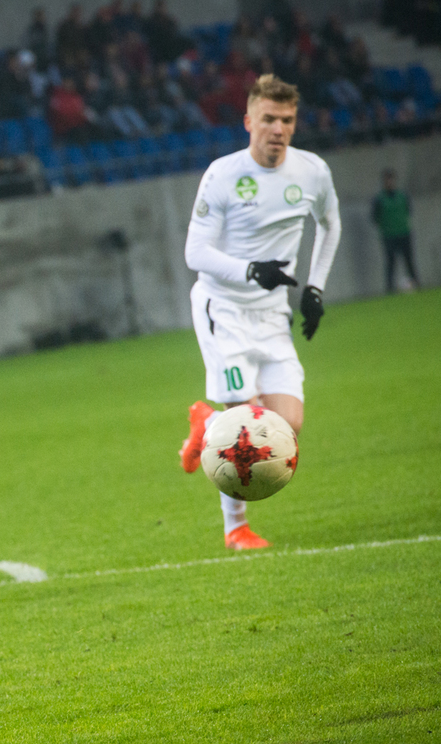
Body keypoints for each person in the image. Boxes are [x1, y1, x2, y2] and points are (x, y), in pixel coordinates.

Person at [177, 74, 341, 551]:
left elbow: (330, 225)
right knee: (246, 429)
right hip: (223, 310)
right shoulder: (222, 175)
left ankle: (205, 423)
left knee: (287, 426)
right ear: (249, 122)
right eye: (268, 119)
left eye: (287, 120)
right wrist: (251, 271)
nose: (278, 129)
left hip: (272, 316)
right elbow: (195, 253)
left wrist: (315, 288)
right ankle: (236, 529)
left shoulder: (312, 171)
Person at [371, 169, 417, 293]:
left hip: (404, 232)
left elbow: (408, 210)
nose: (389, 182)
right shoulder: (379, 199)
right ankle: (390, 288)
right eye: (387, 180)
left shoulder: (403, 196)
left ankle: (416, 283)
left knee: (409, 260)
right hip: (389, 235)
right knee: (390, 262)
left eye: (391, 180)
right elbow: (374, 217)